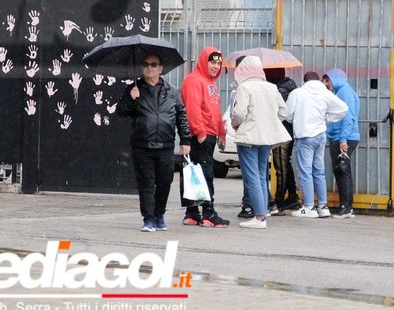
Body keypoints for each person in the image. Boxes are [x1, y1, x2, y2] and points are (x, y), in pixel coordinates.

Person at [119, 53, 192, 232]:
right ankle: (149, 219)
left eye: (153, 64)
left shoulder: (172, 91)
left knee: (165, 182)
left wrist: (185, 140)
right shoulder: (134, 89)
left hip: (166, 146)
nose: (149, 67)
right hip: (142, 146)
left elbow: (181, 115)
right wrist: (130, 99)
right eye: (145, 64)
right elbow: (121, 112)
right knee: (146, 183)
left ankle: (159, 214)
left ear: (160, 68)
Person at [230, 57, 291, 229]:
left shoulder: (244, 87)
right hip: (266, 138)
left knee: (252, 177)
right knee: (262, 175)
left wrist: (235, 124)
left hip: (248, 137)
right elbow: (283, 112)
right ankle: (263, 212)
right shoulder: (271, 87)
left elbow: (240, 113)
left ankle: (259, 217)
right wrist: (271, 122)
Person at [284, 71, 348, 219]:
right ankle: (323, 207)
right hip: (320, 135)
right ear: (318, 80)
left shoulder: (297, 93)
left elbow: (287, 114)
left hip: (304, 135)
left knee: (305, 172)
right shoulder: (325, 93)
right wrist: (327, 118)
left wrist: (296, 119)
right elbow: (343, 109)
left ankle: (308, 207)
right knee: (319, 171)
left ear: (304, 80)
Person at [179, 47, 229, 227]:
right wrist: (200, 132)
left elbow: (215, 112)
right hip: (200, 135)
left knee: (196, 175)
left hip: (209, 134)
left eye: (218, 63)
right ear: (203, 61)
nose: (216, 66)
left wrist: (221, 132)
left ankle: (192, 213)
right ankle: (208, 213)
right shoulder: (193, 81)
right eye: (212, 62)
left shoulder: (211, 83)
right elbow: (192, 109)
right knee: (203, 174)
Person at [324, 68, 361, 218]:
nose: (326, 83)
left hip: (343, 137)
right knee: (343, 171)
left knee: (341, 171)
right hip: (341, 137)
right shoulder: (341, 92)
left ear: (336, 79)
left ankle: (345, 207)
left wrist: (343, 139)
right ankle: (347, 207)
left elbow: (348, 117)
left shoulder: (344, 92)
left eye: (328, 80)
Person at [265, 67, 300, 212]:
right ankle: (292, 196)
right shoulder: (289, 86)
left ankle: (279, 201)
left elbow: (273, 109)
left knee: (280, 167)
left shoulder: (278, 90)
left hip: (281, 131)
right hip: (288, 131)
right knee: (285, 164)